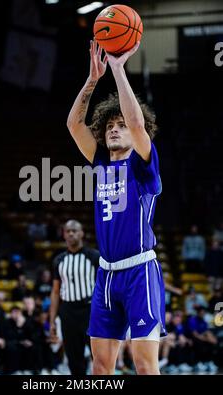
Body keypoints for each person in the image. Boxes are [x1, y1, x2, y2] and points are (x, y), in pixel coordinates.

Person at [67, 39, 166, 375]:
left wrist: (119, 70)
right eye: (109, 126)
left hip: (140, 272)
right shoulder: (100, 164)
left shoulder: (143, 165)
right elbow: (74, 126)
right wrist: (93, 79)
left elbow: (137, 125)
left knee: (143, 366)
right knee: (100, 367)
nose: (114, 129)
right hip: (107, 275)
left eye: (119, 125)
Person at [49, 220, 99, 375]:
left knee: (97, 354)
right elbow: (56, 291)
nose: (71, 233)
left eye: (74, 230)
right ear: (64, 234)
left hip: (90, 310)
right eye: (68, 231)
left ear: (82, 233)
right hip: (68, 311)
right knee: (73, 357)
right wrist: (52, 320)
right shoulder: (59, 260)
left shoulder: (94, 256)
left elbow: (103, 286)